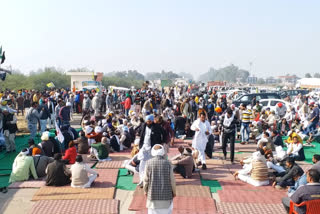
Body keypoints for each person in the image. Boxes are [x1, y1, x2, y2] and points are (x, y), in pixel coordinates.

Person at [143, 144, 176, 214]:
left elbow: (146, 180)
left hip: (152, 197)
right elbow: (172, 180)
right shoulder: (168, 163)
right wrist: (174, 192)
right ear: (163, 152)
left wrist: (145, 191)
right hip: (166, 197)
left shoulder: (148, 163)